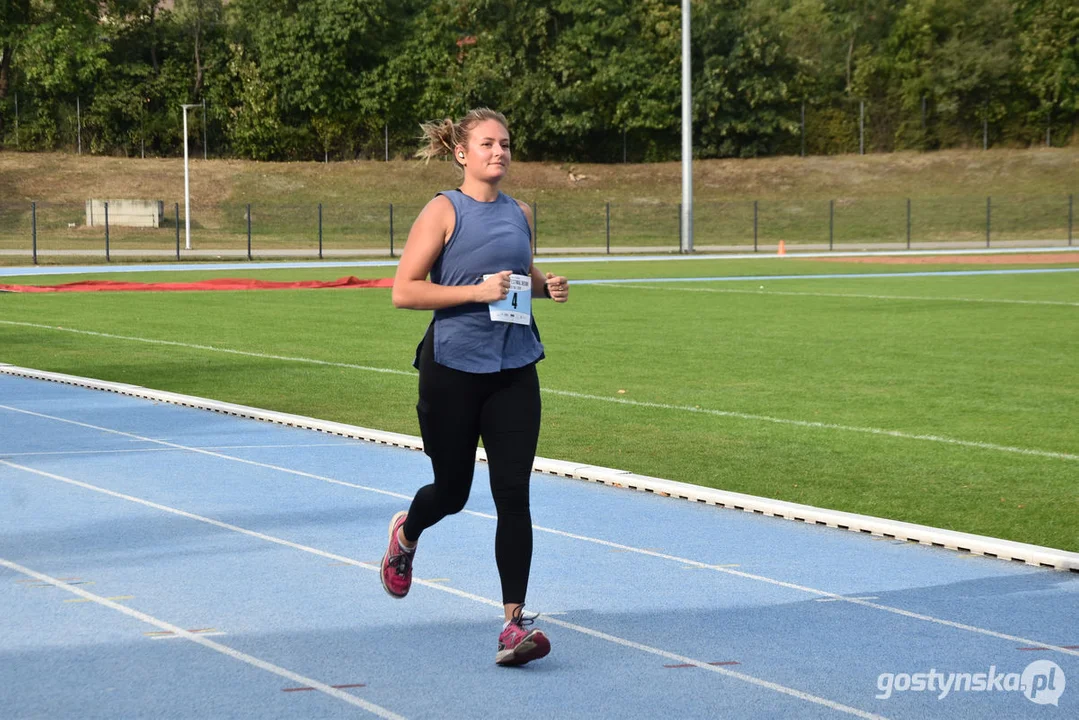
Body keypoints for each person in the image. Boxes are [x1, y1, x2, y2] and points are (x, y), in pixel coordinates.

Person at [383, 108, 569, 667]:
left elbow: (515, 274)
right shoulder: (444, 210)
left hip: (514, 367)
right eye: (488, 144)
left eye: (507, 144)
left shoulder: (522, 213)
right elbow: (405, 291)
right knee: (454, 492)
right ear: (462, 153)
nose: (500, 152)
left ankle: (514, 626)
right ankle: (408, 531)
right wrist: (474, 293)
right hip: (453, 368)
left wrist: (545, 285)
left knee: (514, 495)